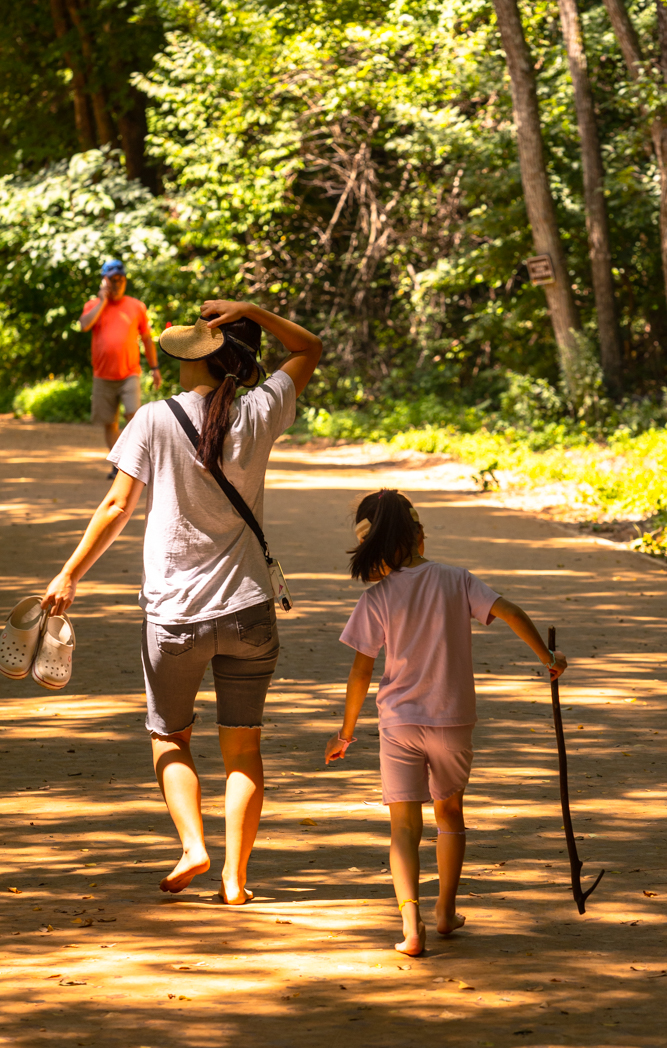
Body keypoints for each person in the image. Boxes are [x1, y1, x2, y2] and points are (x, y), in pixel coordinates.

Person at [42, 300, 322, 903]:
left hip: (174, 617)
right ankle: (235, 878)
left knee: (170, 737)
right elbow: (309, 349)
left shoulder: (151, 419)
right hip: (248, 612)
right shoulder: (257, 409)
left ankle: (194, 844)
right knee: (243, 745)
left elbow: (117, 507)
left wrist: (69, 576)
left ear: (175, 363)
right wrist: (251, 310)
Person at [325, 489, 568, 957]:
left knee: (403, 828)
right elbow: (511, 611)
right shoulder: (456, 580)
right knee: (450, 814)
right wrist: (548, 657)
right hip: (452, 721)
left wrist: (346, 732)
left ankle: (410, 925)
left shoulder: (377, 597)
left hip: (398, 724)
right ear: (418, 533)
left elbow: (361, 671)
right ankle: (445, 911)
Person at [80, 258, 162, 476]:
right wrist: (102, 301)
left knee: (133, 417)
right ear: (103, 281)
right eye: (112, 279)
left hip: (129, 373)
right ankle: (119, 465)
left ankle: (132, 462)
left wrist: (155, 368)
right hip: (102, 375)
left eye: (120, 279)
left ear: (125, 280)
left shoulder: (136, 306)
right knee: (109, 423)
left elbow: (147, 339)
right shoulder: (93, 305)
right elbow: (84, 325)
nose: (117, 283)